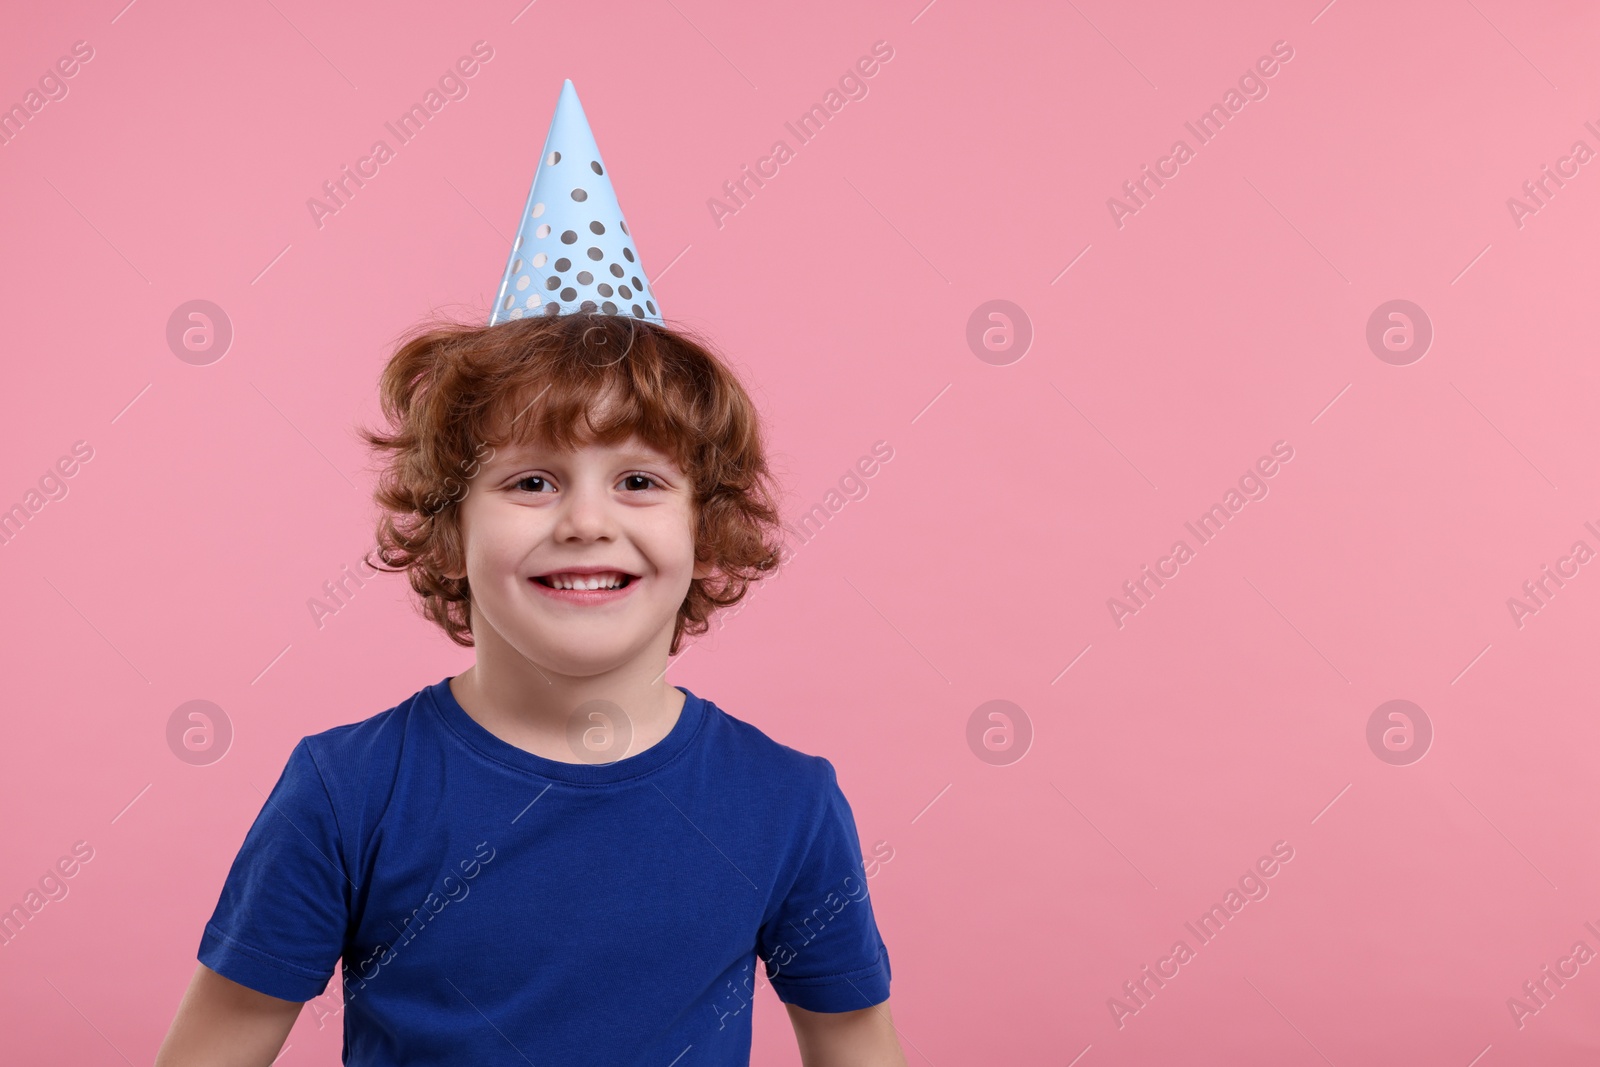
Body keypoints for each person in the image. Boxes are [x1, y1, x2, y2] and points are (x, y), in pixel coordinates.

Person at [155, 80, 903, 1067]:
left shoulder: (785, 802)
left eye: (637, 479)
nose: (586, 520)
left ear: (706, 526)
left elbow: (856, 1044)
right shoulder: (346, 791)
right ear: (449, 526)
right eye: (532, 480)